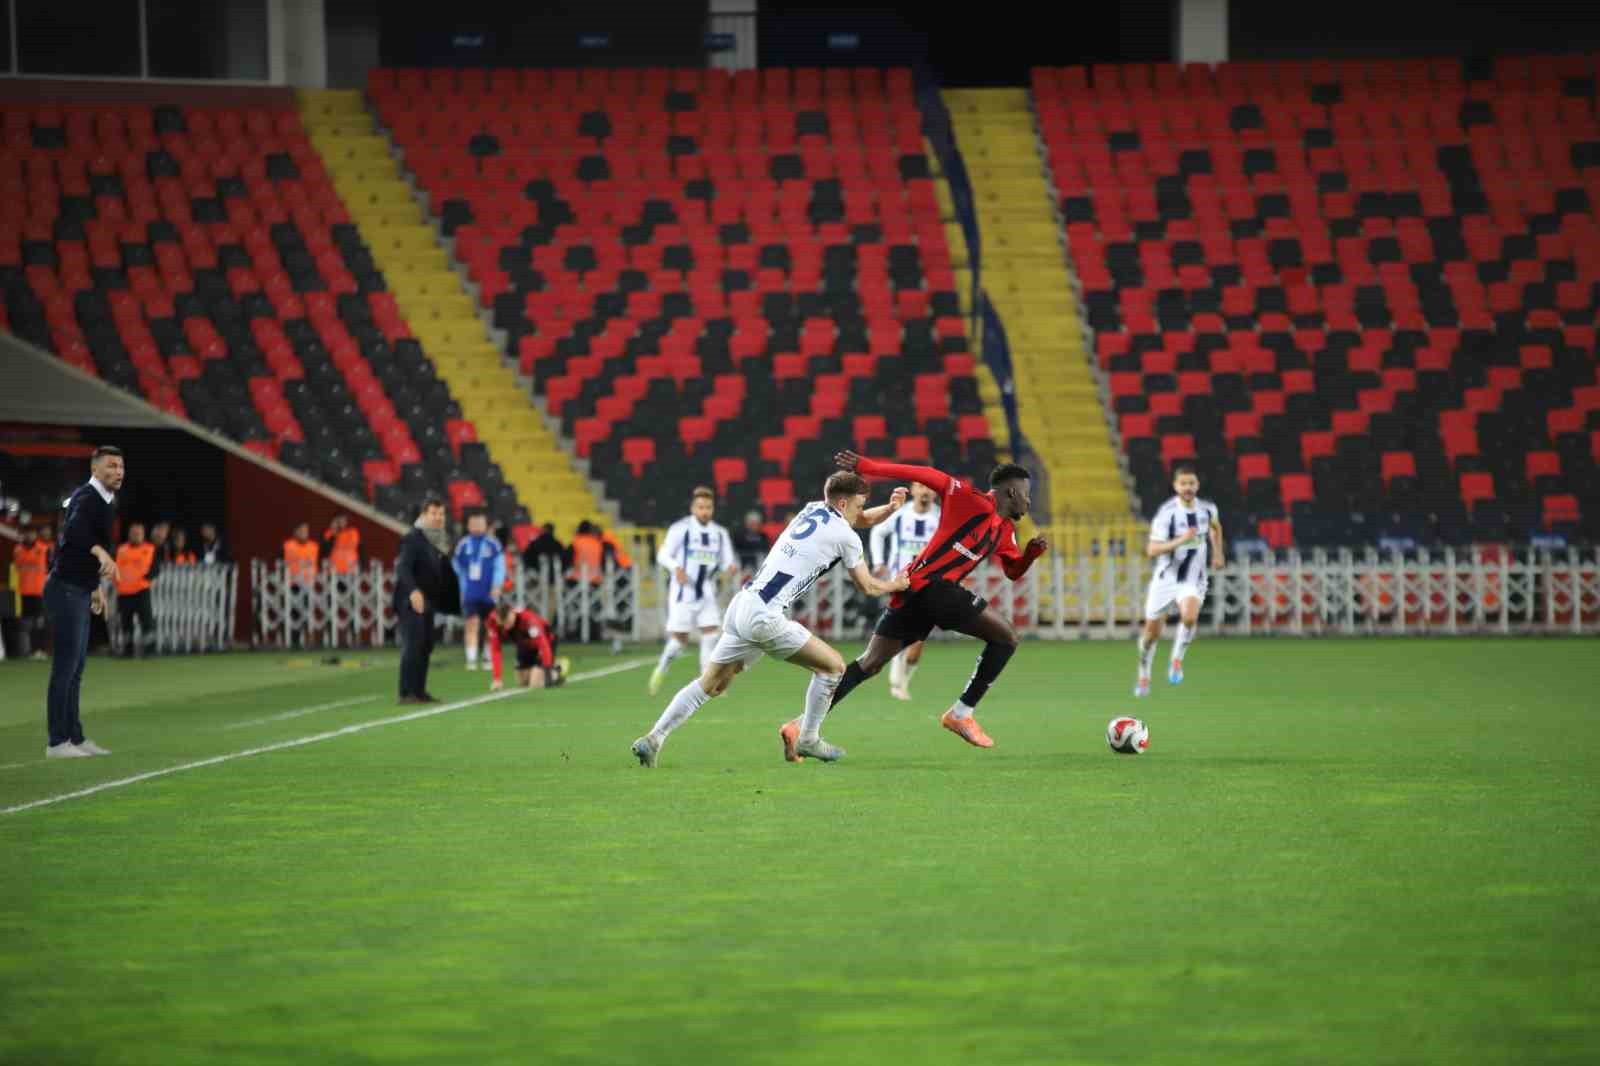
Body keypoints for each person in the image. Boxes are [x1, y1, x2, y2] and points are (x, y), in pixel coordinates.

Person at [631, 473, 909, 768]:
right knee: (833, 667)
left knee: (711, 684)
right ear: (843, 502)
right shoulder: (846, 537)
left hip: (742, 605)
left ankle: (653, 738)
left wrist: (890, 509)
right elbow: (867, 585)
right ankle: (809, 738)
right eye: (858, 504)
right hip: (765, 615)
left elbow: (860, 519)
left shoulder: (813, 509)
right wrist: (896, 584)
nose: (861, 510)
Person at [813, 451, 1049, 750]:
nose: (1029, 502)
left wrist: (1029, 555)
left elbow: (1013, 571)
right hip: (931, 587)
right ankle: (961, 714)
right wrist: (868, 467)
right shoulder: (967, 497)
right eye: (1027, 495)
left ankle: (801, 725)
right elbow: (924, 473)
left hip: (916, 591)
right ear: (1012, 492)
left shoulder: (1004, 531)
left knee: (869, 664)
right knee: (1007, 637)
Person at [42, 445, 122, 758]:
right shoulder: (87, 497)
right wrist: (101, 553)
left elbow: (78, 550)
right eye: (112, 466)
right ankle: (56, 741)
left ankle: (74, 737)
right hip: (64, 589)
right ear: (96, 469)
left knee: (76, 669)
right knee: (65, 668)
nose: (118, 472)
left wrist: (95, 587)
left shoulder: (105, 500)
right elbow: (73, 533)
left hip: (78, 588)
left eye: (121, 466)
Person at [1136, 463, 1223, 696]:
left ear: (1197, 485)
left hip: (1193, 579)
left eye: (1191, 483)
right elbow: (1152, 550)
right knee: (1151, 634)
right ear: (1175, 486)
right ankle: (1144, 672)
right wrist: (1181, 540)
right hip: (1166, 579)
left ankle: (1176, 660)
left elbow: (1215, 528)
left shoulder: (1208, 509)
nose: (1188, 488)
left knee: (1190, 616)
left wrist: (1218, 552)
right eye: (1183, 483)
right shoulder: (1167, 514)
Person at [649, 487, 740, 695]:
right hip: (683, 590)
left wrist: (731, 568)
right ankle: (661, 669)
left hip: (706, 590)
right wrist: (675, 568)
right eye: (700, 507)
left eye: (708, 507)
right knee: (679, 640)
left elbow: (727, 560)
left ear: (713, 508)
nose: (705, 511)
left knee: (711, 633)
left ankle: (705, 681)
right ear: (693, 508)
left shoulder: (719, 533)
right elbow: (662, 555)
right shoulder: (681, 529)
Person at [867, 481, 942, 701]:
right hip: (900, 582)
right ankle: (897, 680)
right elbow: (877, 532)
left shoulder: (941, 518)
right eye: (921, 487)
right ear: (914, 490)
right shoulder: (900, 515)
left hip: (930, 583)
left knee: (917, 642)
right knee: (908, 631)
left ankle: (901, 679)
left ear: (935, 493)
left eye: (930, 487)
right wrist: (879, 562)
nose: (926, 491)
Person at [394, 497, 456, 704]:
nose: (438, 517)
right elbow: (403, 568)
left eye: (441, 514)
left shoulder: (437, 539)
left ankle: (419, 691)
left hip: (429, 601)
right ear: (423, 515)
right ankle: (406, 692)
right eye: (434, 513)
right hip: (411, 600)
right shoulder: (413, 538)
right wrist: (413, 592)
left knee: (426, 644)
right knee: (413, 644)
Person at [453, 509, 505, 671]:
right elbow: (457, 568)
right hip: (470, 592)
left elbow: (499, 567)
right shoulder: (463, 545)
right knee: (471, 623)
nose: (476, 526)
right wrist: (460, 588)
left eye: (480, 523)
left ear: (485, 525)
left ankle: (488, 656)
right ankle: (471, 659)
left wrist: (497, 585)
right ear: (468, 526)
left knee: (491, 625)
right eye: (473, 523)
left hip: (489, 592)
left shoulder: (493, 544)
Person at [485, 599, 570, 691]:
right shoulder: (492, 621)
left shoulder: (528, 620)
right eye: (502, 624)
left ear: (512, 613)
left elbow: (543, 645)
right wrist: (497, 679)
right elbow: (496, 650)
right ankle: (538, 671)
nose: (505, 627)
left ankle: (558, 669)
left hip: (545, 642)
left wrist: (547, 675)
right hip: (524, 644)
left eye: (508, 622)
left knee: (535, 683)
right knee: (522, 682)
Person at [114, 521, 158, 658]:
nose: (136, 536)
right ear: (129, 535)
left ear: (143, 535)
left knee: (146, 621)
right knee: (126, 623)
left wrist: (148, 577)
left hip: (141, 590)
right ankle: (127, 650)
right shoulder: (121, 550)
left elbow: (156, 567)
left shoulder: (150, 549)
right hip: (124, 592)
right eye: (133, 533)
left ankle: (149, 650)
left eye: (138, 533)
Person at [12, 525, 51, 659]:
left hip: (40, 592)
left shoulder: (44, 549)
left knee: (39, 623)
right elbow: (16, 569)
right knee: (25, 625)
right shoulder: (18, 550)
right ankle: (27, 651)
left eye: (33, 533)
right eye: (28, 533)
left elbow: (50, 570)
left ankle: (40, 650)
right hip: (23, 593)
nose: (30, 536)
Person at [323, 513, 361, 578]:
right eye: (339, 521)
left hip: (349, 570)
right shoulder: (331, 533)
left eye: (343, 520)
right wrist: (333, 529)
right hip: (334, 570)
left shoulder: (352, 532)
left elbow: (353, 544)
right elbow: (325, 546)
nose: (341, 523)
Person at [733, 509, 769, 574]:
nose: (754, 526)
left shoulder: (763, 536)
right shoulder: (739, 536)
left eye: (756, 523)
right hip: (741, 566)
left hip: (758, 566)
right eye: (752, 523)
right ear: (747, 523)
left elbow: (765, 551)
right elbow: (736, 551)